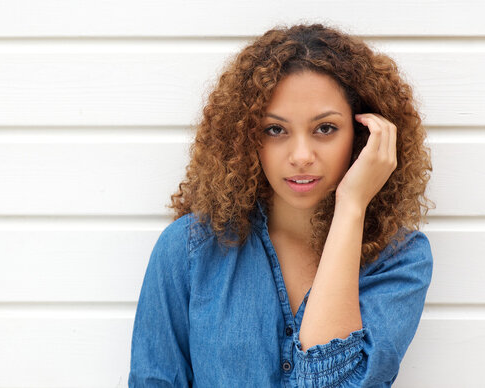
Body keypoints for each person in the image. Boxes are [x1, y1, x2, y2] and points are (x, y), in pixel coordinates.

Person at [128, 22, 434, 387]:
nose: (301, 156)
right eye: (275, 130)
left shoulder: (399, 260)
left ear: (362, 136)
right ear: (246, 138)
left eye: (325, 128)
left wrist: (351, 206)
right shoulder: (188, 249)